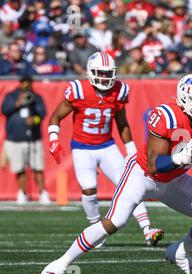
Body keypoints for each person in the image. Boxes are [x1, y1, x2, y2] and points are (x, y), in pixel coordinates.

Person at [41, 73, 192, 274]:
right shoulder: (168, 116)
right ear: (185, 99)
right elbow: (153, 164)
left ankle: (180, 252)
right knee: (115, 221)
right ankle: (62, 262)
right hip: (142, 175)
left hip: (174, 180)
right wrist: (179, 158)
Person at [47, 51, 163, 247]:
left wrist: (131, 150)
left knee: (131, 185)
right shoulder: (79, 90)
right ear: (91, 72)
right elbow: (56, 117)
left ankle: (148, 230)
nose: (105, 78)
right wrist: (53, 138)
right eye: (100, 73)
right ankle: (95, 230)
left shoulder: (119, 90)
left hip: (107, 146)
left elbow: (122, 122)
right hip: (82, 148)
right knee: (89, 188)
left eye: (108, 73)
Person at [1, 75, 50, 204]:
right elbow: (4, 110)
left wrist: (34, 120)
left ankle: (42, 192)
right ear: (20, 83)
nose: (26, 85)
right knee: (19, 168)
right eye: (24, 82)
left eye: (28, 82)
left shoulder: (36, 97)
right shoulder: (11, 96)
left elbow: (42, 114)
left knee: (37, 166)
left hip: (33, 138)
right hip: (15, 138)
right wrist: (18, 102)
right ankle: (22, 193)